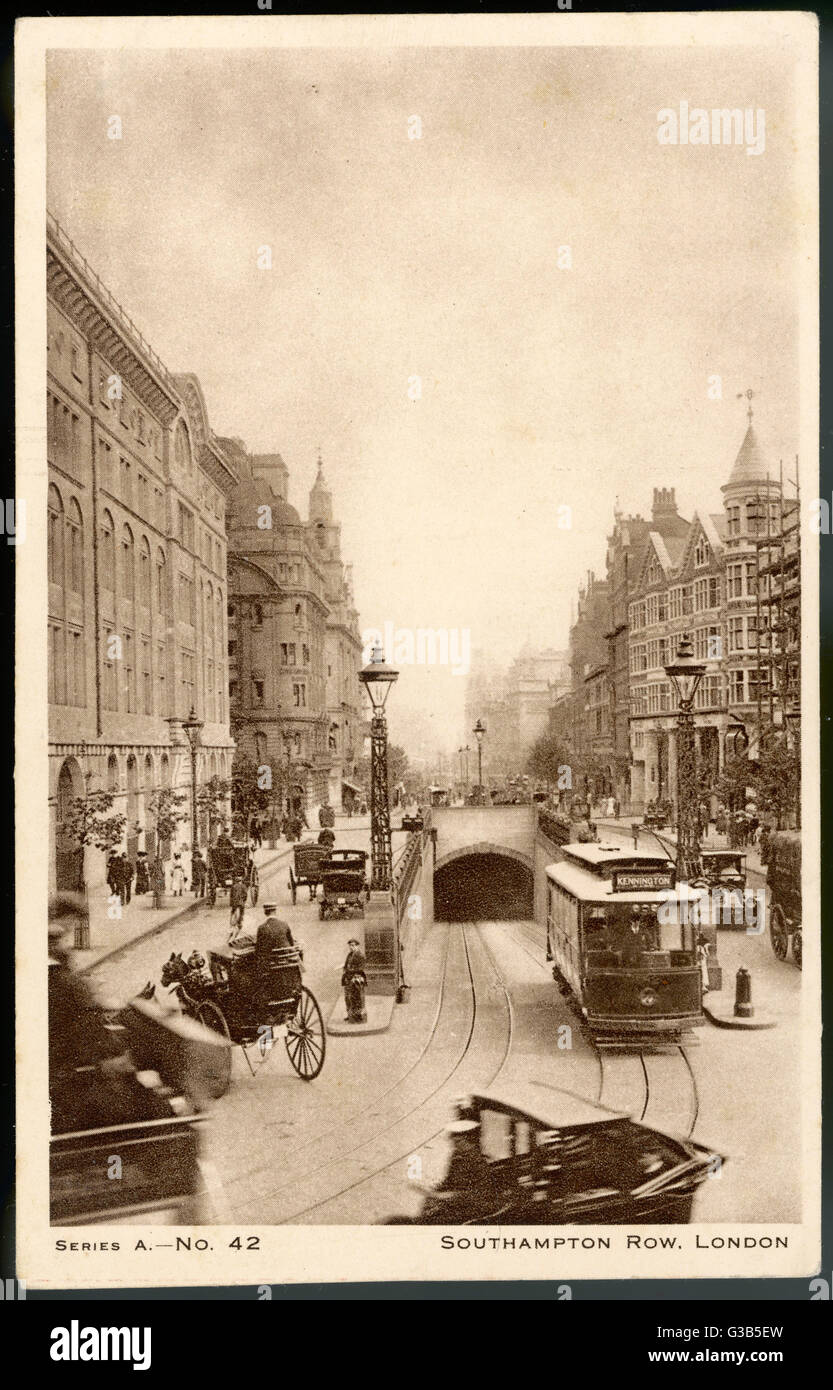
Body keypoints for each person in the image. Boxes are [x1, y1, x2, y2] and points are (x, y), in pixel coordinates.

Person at [341, 937, 368, 1023]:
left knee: (357, 998)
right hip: (348, 979)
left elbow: (361, 968)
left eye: (353, 945)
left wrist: (350, 970)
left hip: (356, 979)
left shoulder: (360, 956)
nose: (351, 947)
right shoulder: (349, 955)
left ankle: (358, 1016)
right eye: (350, 946)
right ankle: (350, 1015)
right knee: (348, 998)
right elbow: (346, 965)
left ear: (357, 946)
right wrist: (345, 969)